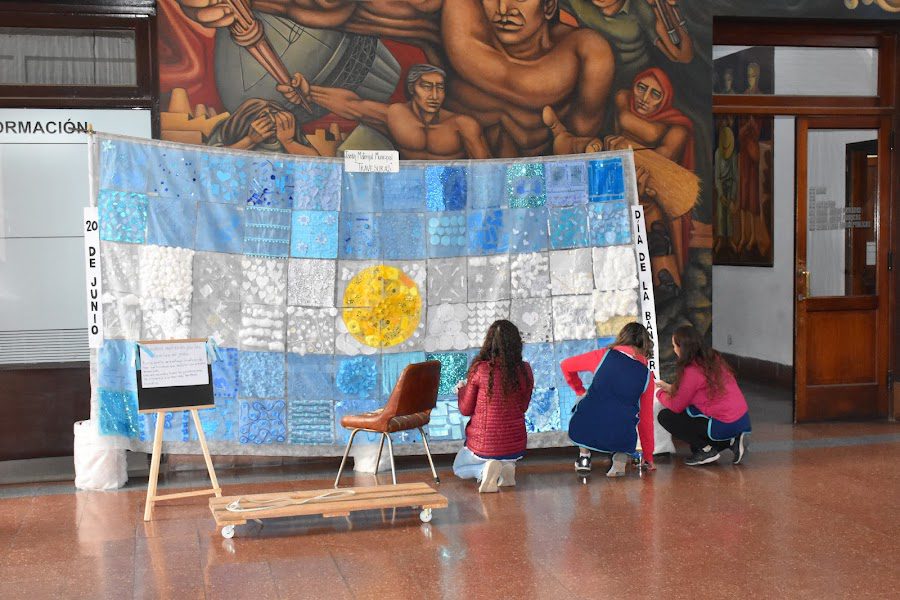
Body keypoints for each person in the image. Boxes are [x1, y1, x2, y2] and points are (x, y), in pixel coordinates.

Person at [278, 64, 492, 159]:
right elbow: (353, 105)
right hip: (406, 187)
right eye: (426, 87)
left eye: (440, 88)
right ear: (412, 89)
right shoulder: (396, 115)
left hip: (450, 190)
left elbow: (486, 170)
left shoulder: (462, 125)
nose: (434, 95)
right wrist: (309, 92)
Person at [561, 322, 655, 477]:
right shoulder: (647, 376)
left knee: (584, 403)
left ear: (622, 338)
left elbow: (566, 365)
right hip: (622, 435)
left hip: (588, 427)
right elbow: (646, 420)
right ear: (644, 346)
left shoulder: (602, 355)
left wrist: (579, 390)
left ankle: (584, 457)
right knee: (627, 418)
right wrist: (648, 456)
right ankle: (620, 457)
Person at [453, 320, 534, 493]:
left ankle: (484, 471)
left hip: (483, 445)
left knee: (458, 467)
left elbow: (465, 409)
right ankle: (505, 470)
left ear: (488, 342)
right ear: (516, 343)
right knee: (503, 458)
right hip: (515, 447)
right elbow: (523, 407)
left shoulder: (480, 370)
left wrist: (461, 391)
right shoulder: (525, 370)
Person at [656, 325, 751, 466]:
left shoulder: (691, 370)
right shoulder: (713, 358)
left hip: (724, 423)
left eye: (674, 346)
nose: (674, 350)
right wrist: (670, 388)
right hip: (741, 419)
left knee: (666, 416)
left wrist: (659, 393)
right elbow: (692, 390)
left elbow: (676, 406)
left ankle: (707, 450)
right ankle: (732, 441)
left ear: (682, 348)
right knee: (694, 446)